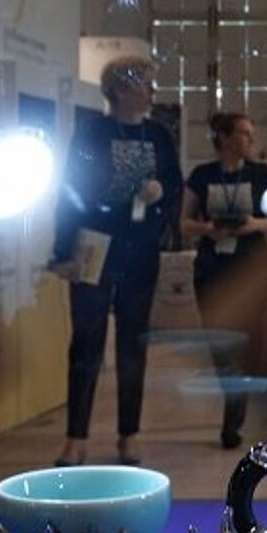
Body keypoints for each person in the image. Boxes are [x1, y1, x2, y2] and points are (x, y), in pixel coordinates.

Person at [50, 56, 182, 467]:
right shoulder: (92, 131)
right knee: (86, 342)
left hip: (140, 249)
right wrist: (62, 251)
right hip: (93, 245)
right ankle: (76, 439)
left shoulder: (158, 134)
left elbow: (175, 183)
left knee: (133, 343)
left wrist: (161, 194)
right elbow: (70, 191)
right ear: (121, 89)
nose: (152, 91)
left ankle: (129, 434)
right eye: (144, 83)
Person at [181, 112, 267, 449]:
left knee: (252, 344)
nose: (250, 139)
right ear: (224, 138)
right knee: (220, 346)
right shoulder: (202, 175)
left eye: (251, 133)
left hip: (251, 269)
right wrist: (209, 228)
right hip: (212, 269)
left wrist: (253, 224)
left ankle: (235, 417)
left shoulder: (261, 174)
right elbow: (184, 222)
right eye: (243, 133)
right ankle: (234, 407)